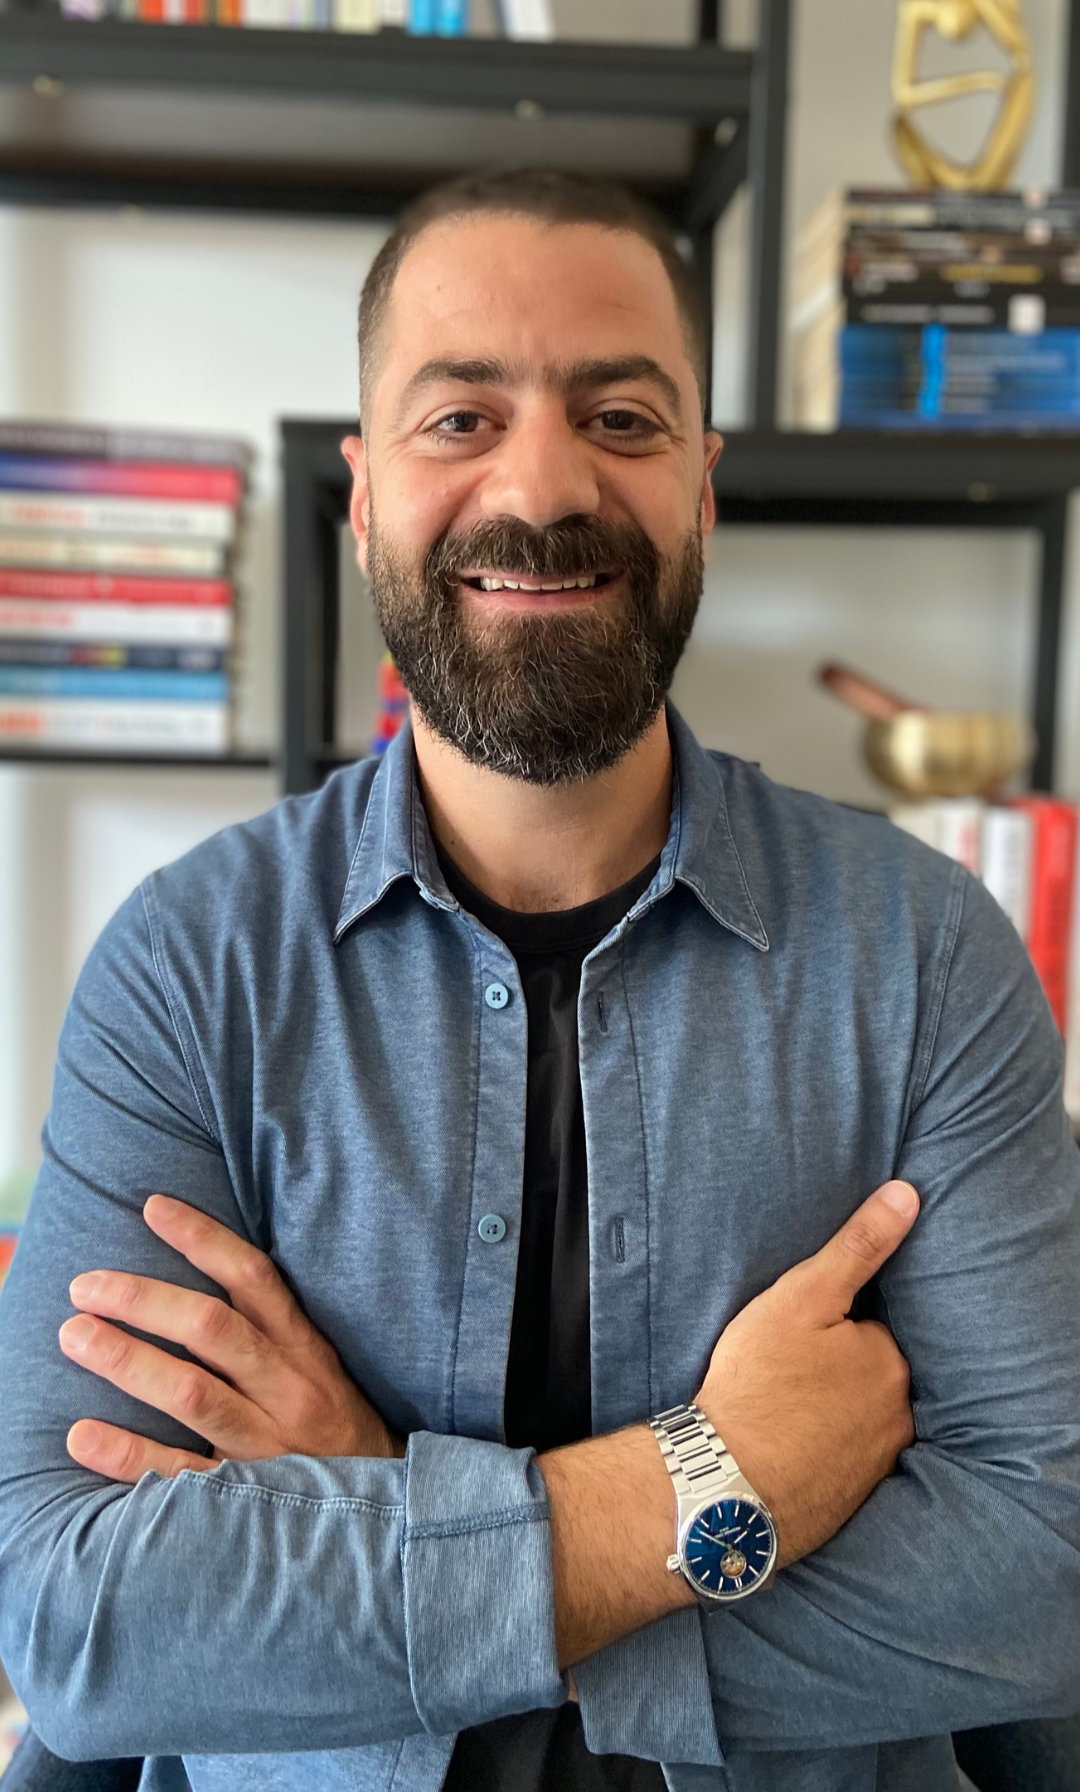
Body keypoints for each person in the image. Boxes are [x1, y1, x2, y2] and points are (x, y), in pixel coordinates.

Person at [0, 169, 1078, 1792]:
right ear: (364, 495)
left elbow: (1041, 1574)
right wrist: (704, 1482)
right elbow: (73, 1619)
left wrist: (381, 1517)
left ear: (703, 488)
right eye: (461, 419)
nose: (546, 484)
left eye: (622, 419)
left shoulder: (927, 956)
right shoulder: (189, 966)